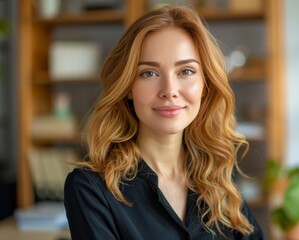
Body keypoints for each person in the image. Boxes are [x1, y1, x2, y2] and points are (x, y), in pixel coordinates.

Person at [64, 5, 264, 240]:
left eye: (186, 71)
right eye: (149, 73)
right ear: (128, 87)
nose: (170, 90)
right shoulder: (92, 189)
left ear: (205, 84)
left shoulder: (218, 177)